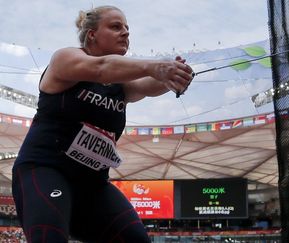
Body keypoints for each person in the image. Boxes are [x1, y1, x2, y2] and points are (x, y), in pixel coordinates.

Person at [12, 5, 193, 243]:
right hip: (45, 171)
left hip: (92, 186)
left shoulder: (122, 85)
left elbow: (149, 86)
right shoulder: (65, 58)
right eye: (116, 27)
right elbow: (101, 69)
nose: (126, 33)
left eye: (127, 28)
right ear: (92, 35)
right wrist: (156, 67)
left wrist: (176, 75)